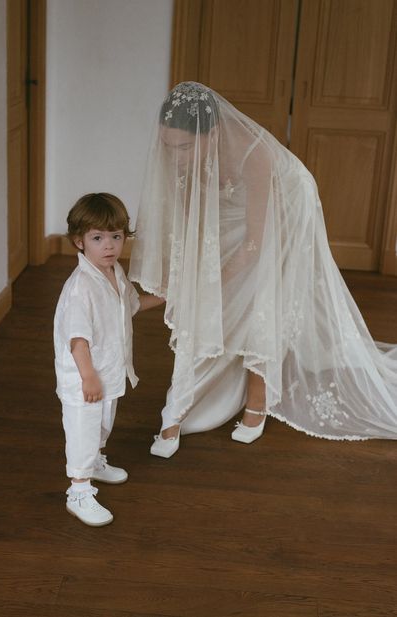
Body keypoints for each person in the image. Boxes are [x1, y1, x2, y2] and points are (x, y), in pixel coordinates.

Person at [128, 81, 397, 458]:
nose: (178, 157)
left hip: (284, 210)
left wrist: (216, 283)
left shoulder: (255, 157)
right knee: (221, 301)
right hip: (231, 212)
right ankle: (186, 404)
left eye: (185, 147)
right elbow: (192, 225)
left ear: (214, 133)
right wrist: (191, 277)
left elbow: (256, 242)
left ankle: (257, 404)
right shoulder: (180, 159)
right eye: (169, 147)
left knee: (261, 299)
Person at [54, 193, 164, 525]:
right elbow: (77, 340)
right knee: (83, 429)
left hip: (110, 372)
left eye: (116, 236)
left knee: (103, 424)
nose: (109, 246)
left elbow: (131, 306)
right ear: (79, 241)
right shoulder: (80, 289)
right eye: (98, 238)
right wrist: (87, 376)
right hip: (86, 378)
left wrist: (165, 297)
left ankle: (96, 462)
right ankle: (79, 489)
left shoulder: (115, 272)